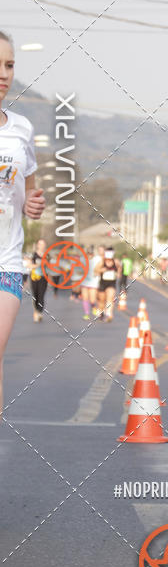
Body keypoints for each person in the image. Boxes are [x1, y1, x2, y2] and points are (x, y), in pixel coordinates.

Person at [0, 30, 45, 414]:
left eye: (9, 65)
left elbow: (30, 190)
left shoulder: (21, 129)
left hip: (6, 261)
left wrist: (33, 204)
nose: (3, 73)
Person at [95, 247, 118, 321]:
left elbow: (119, 268)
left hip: (111, 283)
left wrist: (118, 273)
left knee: (110, 298)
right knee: (102, 300)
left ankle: (109, 313)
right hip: (102, 283)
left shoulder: (116, 261)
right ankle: (101, 312)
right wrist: (102, 270)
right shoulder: (102, 262)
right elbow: (95, 270)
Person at [29, 237, 48, 323]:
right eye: (40, 244)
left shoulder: (47, 255)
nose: (42, 246)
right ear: (37, 245)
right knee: (35, 295)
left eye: (43, 244)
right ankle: (36, 311)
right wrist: (38, 265)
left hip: (44, 278)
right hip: (34, 278)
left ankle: (39, 312)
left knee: (41, 295)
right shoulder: (34, 255)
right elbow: (29, 265)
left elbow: (51, 267)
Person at [80, 247, 98, 320]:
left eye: (91, 254)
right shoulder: (82, 260)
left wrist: (97, 272)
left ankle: (93, 307)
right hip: (84, 282)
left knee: (92, 300)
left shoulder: (96, 260)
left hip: (93, 283)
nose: (89, 255)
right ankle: (86, 314)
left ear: (93, 254)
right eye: (88, 254)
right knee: (85, 298)